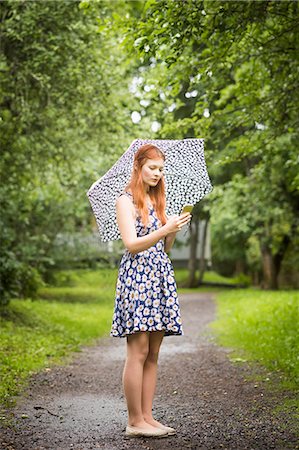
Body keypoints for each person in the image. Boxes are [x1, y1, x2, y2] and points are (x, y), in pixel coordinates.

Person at [110, 143, 191, 438]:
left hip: (158, 276)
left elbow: (163, 248)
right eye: (152, 168)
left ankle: (147, 416)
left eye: (161, 169)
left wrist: (172, 230)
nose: (157, 174)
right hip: (137, 278)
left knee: (154, 352)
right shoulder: (125, 201)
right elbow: (131, 244)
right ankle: (134, 421)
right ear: (138, 167)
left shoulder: (158, 202)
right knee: (138, 350)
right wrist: (164, 230)